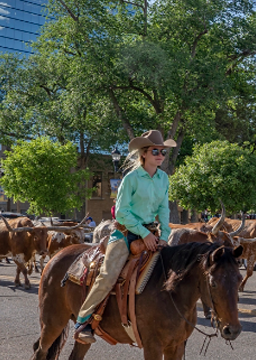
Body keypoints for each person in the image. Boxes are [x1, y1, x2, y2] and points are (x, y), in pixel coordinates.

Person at [74, 130, 175, 344]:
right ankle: (83, 322)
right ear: (144, 154)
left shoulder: (163, 178)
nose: (160, 155)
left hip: (152, 234)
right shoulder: (131, 178)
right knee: (108, 275)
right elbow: (121, 212)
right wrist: (145, 233)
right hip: (125, 233)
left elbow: (164, 210)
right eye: (155, 151)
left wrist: (165, 235)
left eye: (163, 152)